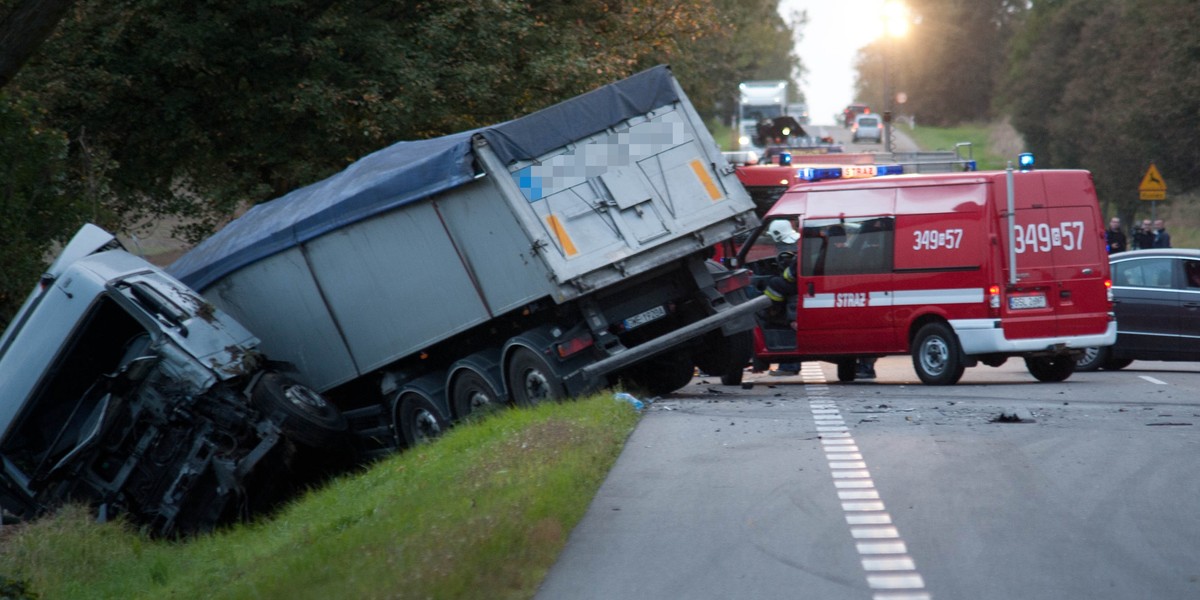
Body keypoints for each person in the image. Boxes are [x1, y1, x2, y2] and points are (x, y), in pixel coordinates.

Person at [764, 220, 801, 376]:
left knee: (774, 284)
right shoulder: (800, 242)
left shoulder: (791, 248)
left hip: (799, 287)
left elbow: (790, 275)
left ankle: (773, 312)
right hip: (804, 286)